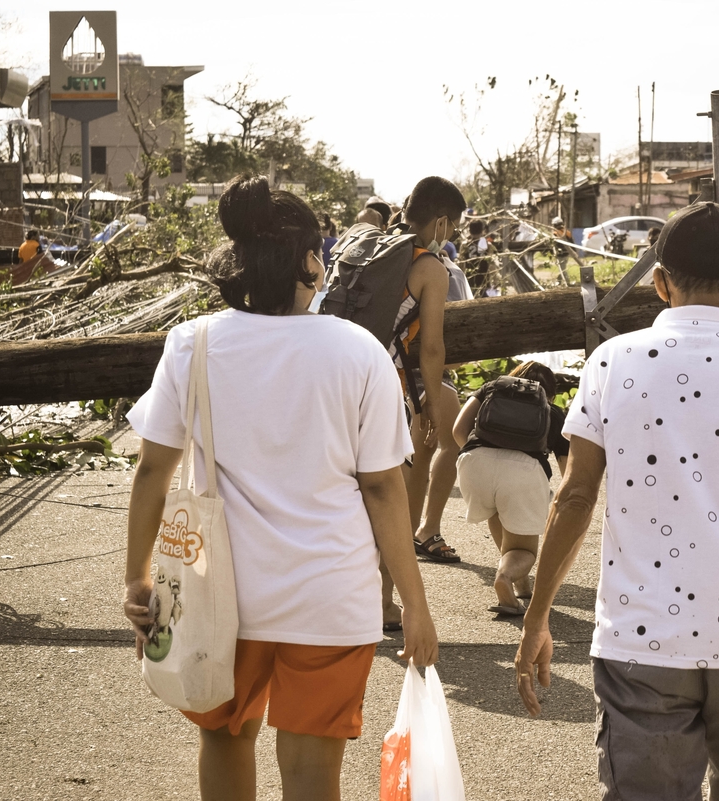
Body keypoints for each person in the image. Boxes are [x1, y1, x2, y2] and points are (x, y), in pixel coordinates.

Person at [514, 201, 719, 800]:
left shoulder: (612, 362)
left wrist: (537, 615)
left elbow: (576, 497)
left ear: (660, 282)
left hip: (642, 639)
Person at [123, 174, 437, 800]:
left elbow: (154, 469)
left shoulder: (195, 343)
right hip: (330, 594)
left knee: (224, 739)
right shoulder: (359, 351)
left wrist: (138, 576)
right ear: (312, 262)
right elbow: (382, 488)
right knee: (313, 771)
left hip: (220, 595)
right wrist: (414, 603)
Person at [377, 176, 468, 632]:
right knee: (400, 489)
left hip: (345, 378)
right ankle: (385, 598)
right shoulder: (430, 265)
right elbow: (431, 348)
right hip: (391, 387)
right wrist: (430, 405)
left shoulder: (370, 244)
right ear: (442, 222)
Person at [452, 361, 570, 615]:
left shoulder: (491, 388)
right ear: (549, 393)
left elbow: (458, 429)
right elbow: (567, 470)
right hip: (523, 471)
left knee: (498, 512)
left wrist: (476, 456)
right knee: (524, 549)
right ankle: (505, 577)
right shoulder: (553, 412)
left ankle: (521, 583)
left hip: (474, 462)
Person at [459, 219, 499, 297]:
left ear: (470, 231)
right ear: (482, 230)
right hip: (484, 282)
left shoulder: (465, 245)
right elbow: (492, 265)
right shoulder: (488, 245)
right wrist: (496, 281)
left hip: (469, 282)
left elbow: (461, 265)